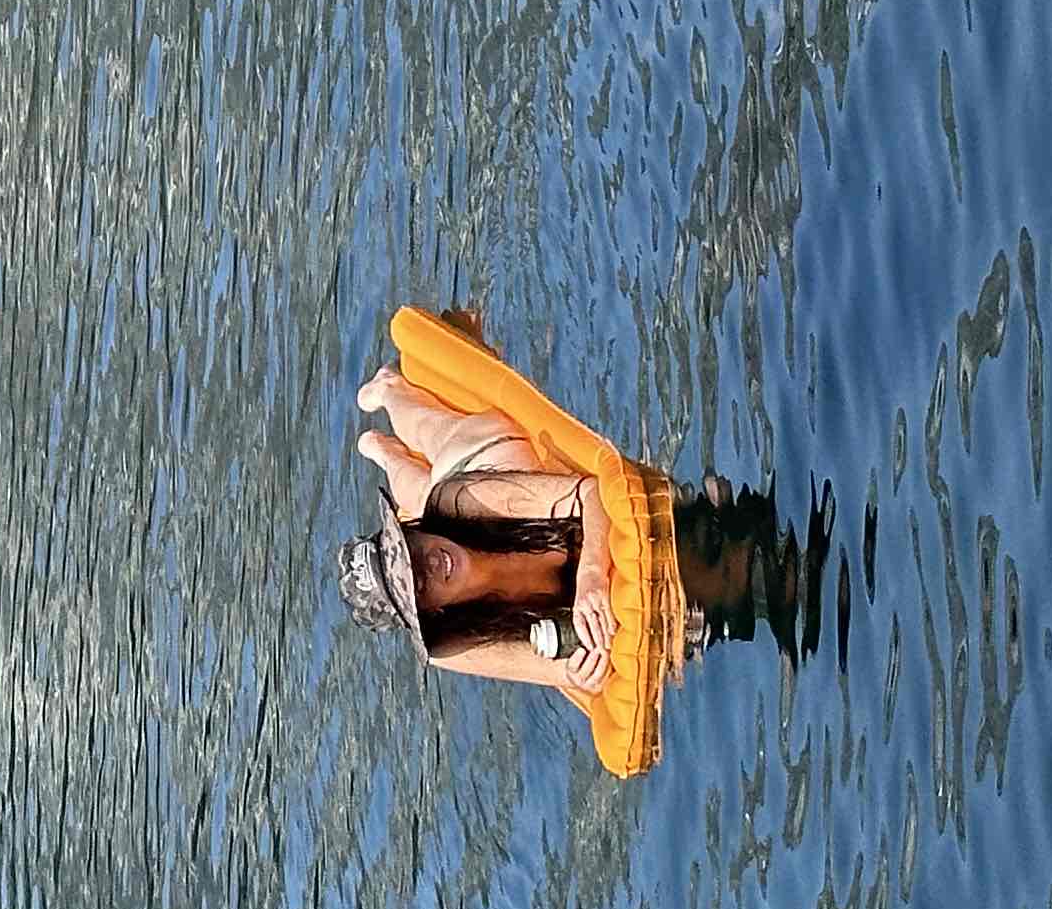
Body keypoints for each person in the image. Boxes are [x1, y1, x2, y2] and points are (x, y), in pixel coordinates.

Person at [332, 305, 823, 777]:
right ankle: (386, 455)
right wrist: (579, 671)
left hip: (489, 462)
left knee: (429, 448)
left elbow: (590, 492)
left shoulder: (466, 501)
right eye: (417, 584)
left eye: (410, 549)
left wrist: (590, 576)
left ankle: (390, 395)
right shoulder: (456, 648)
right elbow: (552, 671)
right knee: (411, 490)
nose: (428, 564)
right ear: (432, 612)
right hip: (489, 535)